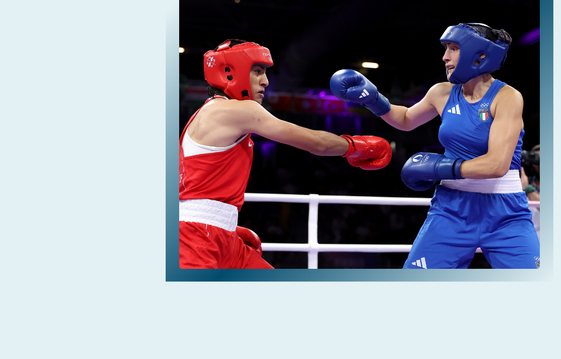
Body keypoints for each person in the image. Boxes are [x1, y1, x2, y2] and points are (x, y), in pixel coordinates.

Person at [330, 23, 540, 269]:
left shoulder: (507, 97)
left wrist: (439, 167)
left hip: (506, 211)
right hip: (452, 208)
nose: (445, 57)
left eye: (453, 48)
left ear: (479, 54)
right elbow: (407, 119)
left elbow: (497, 164)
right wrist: (373, 99)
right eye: (445, 48)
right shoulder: (441, 93)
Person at [180, 39, 392, 269]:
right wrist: (355, 146)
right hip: (197, 238)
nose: (266, 81)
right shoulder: (238, 110)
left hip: (214, 234)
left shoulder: (202, 115)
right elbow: (317, 143)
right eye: (258, 71)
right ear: (230, 72)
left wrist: (223, 221)